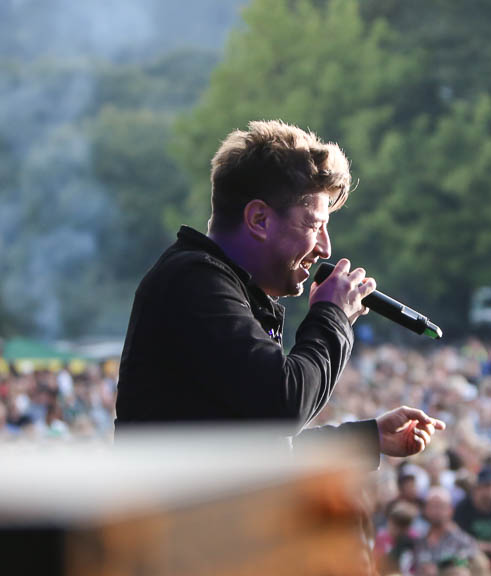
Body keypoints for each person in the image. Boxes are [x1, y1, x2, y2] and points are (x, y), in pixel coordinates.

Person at [114, 121, 445, 465]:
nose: (325, 248)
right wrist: (331, 316)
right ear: (259, 219)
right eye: (315, 225)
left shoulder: (228, 287)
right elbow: (282, 406)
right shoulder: (195, 282)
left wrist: (367, 438)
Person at [414, 487, 484, 574]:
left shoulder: (462, 540)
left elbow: (471, 562)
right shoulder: (420, 540)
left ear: (450, 510)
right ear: (426, 510)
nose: (436, 511)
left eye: (440, 506)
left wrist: (448, 566)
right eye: (432, 506)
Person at [454, 468, 491, 559]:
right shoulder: (464, 507)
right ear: (477, 488)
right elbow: (460, 539)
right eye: (487, 486)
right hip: (471, 553)